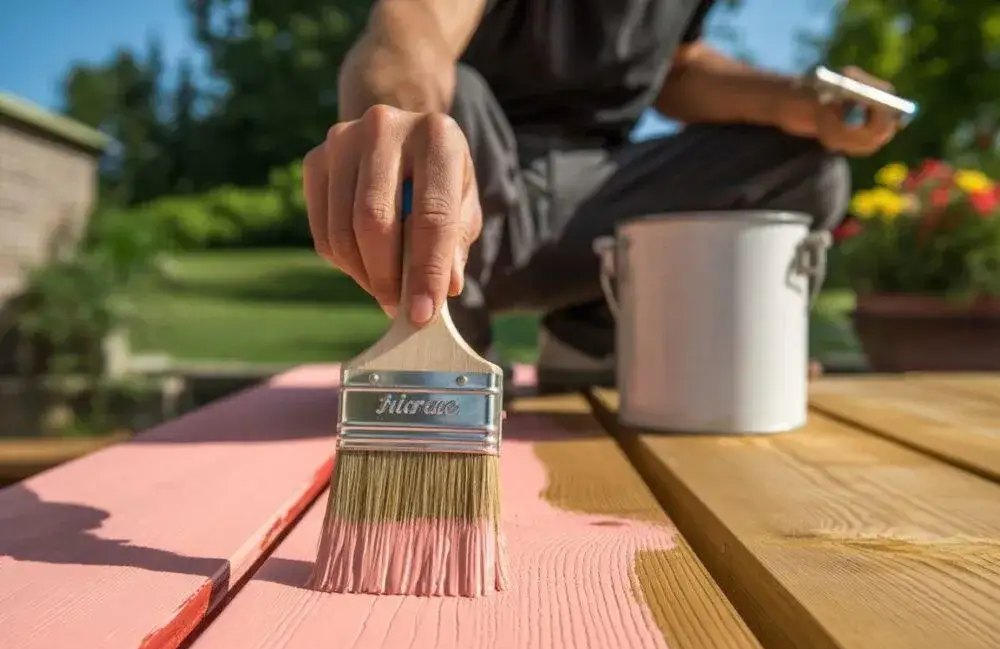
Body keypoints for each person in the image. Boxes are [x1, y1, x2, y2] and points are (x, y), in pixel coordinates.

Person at [302, 0, 899, 388]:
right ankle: (448, 363)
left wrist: (796, 100)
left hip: (603, 202)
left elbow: (678, 72)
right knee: (453, 101)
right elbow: (415, 24)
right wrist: (403, 122)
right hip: (473, 201)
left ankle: (593, 338)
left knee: (808, 168)